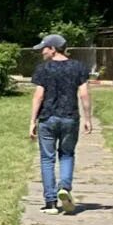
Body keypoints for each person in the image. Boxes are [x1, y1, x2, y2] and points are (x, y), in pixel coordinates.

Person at [29, 33, 94, 215]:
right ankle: (64, 187)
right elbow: (84, 94)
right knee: (67, 154)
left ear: (53, 49)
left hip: (48, 118)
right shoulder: (78, 67)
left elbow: (39, 96)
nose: (42, 52)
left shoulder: (43, 69)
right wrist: (88, 118)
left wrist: (32, 120)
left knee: (47, 159)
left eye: (44, 48)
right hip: (70, 117)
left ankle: (50, 203)